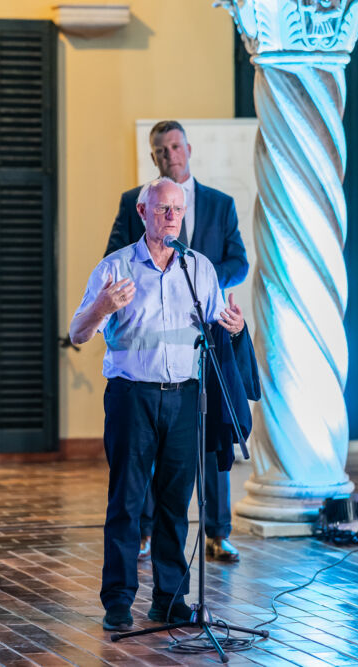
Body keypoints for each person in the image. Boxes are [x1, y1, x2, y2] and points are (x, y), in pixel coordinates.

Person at [70, 177, 246, 632]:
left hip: (186, 398)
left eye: (177, 210)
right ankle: (118, 600)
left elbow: (217, 326)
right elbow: (77, 333)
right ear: (142, 212)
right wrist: (102, 307)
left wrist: (234, 326)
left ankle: (170, 599)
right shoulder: (115, 267)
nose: (171, 217)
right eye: (162, 208)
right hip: (133, 397)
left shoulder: (198, 268)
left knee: (174, 504)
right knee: (127, 501)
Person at [105, 120, 248, 564]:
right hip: (147, 351)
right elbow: (112, 258)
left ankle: (217, 532)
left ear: (189, 148)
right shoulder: (133, 201)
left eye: (175, 146)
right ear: (153, 158)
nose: (170, 155)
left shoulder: (220, 204)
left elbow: (239, 262)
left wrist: (201, 280)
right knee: (149, 453)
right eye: (161, 150)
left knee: (210, 438)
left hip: (205, 339)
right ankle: (145, 532)